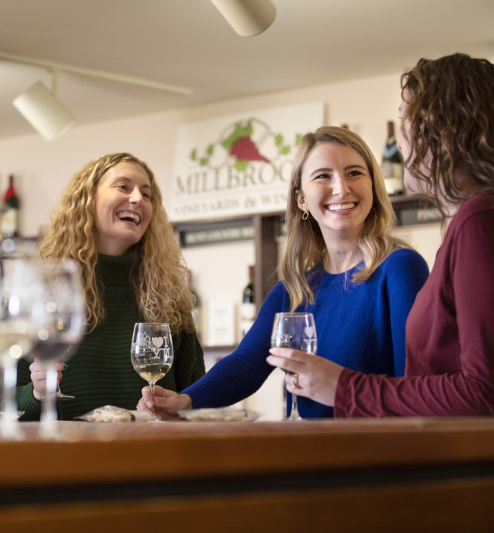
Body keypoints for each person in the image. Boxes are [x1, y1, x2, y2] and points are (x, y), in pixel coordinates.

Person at [266, 53, 494, 417]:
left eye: (404, 119)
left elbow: (485, 392)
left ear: (443, 127)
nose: (399, 143)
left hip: (477, 463)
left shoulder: (482, 221)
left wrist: (344, 387)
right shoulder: (487, 217)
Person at [140, 126, 430, 419]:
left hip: (380, 456)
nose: (342, 188)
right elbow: (246, 364)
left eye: (354, 173)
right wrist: (186, 401)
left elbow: (417, 389)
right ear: (301, 199)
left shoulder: (400, 268)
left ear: (373, 186)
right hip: (310, 453)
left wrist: (342, 386)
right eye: (323, 176)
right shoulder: (295, 289)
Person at [0, 152, 205, 420]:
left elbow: (198, 400)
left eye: (146, 194)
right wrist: (35, 392)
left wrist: (177, 409)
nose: (137, 198)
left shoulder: (172, 298)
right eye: (123, 187)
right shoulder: (37, 292)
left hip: (150, 456)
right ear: (87, 199)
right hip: (62, 457)